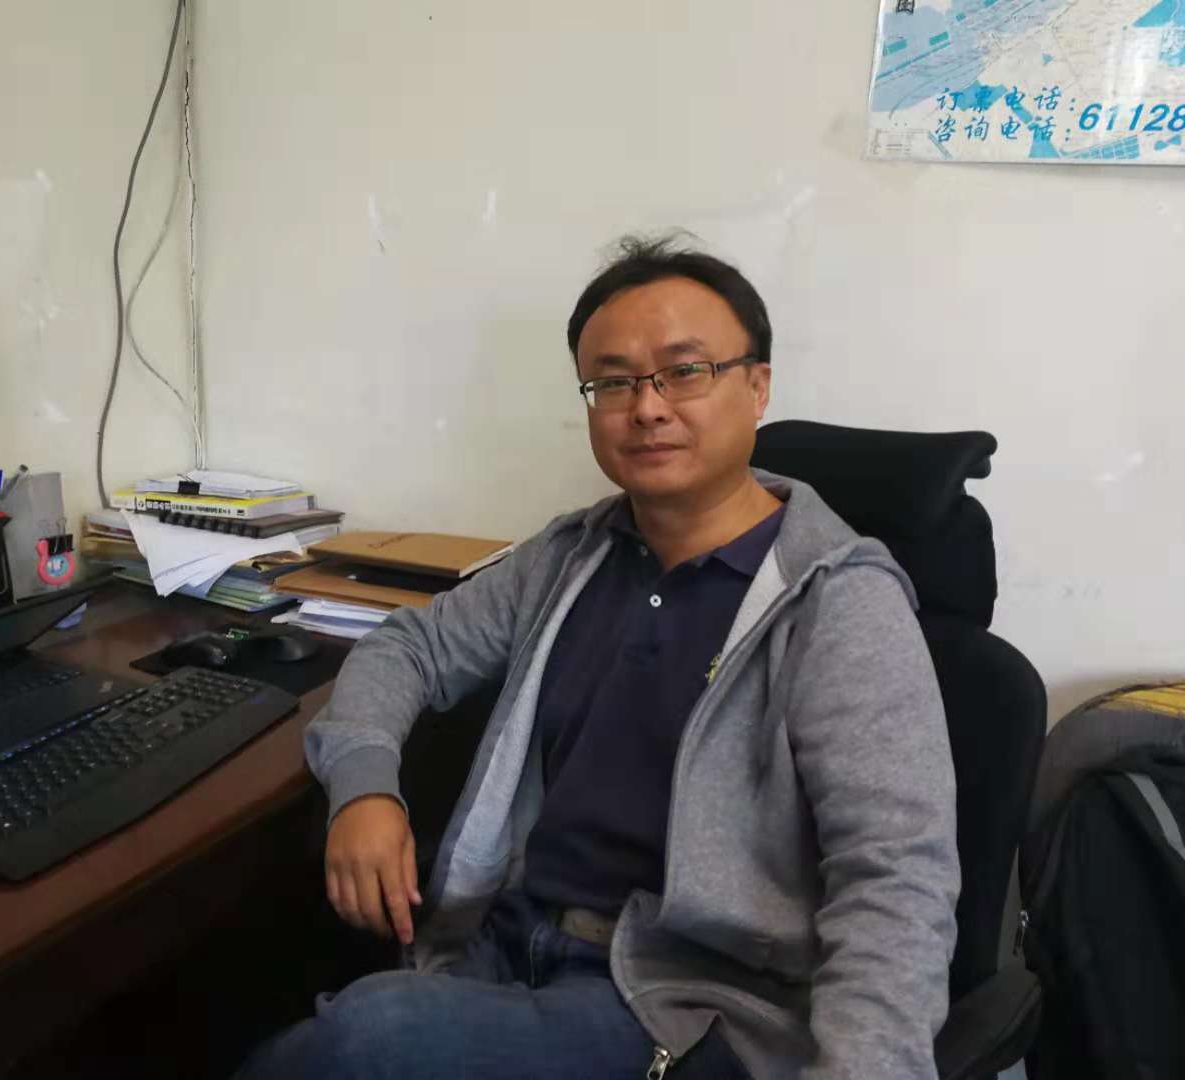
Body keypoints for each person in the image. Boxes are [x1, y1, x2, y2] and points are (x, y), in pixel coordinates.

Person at [240, 235, 960, 1079]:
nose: (647, 407)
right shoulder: (573, 555)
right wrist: (365, 788)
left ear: (757, 385)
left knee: (367, 1038)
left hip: (690, 1001)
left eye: (684, 371)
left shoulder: (838, 601)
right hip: (510, 943)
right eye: (613, 382)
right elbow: (408, 646)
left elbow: (894, 883)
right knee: (279, 1013)